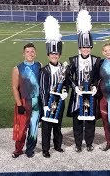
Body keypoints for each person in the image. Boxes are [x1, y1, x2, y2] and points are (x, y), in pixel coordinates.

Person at [67, 10, 101, 152]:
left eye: (88, 47)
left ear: (91, 47)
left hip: (91, 94)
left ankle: (89, 143)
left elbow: (99, 76)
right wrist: (74, 87)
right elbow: (68, 76)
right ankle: (78, 144)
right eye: (83, 47)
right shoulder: (73, 60)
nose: (86, 49)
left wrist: (95, 87)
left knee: (90, 120)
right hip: (78, 96)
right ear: (80, 47)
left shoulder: (97, 60)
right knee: (78, 120)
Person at [39, 16, 68, 158]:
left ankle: (57, 145)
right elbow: (43, 89)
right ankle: (45, 149)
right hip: (48, 101)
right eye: (52, 53)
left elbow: (66, 82)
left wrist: (65, 92)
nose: (54, 56)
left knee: (57, 124)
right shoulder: (44, 70)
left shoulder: (63, 68)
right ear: (48, 55)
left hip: (60, 101)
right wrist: (45, 104)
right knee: (46, 126)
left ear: (59, 54)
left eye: (56, 54)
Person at [12, 43, 42, 158]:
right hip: (23, 102)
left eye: (32, 51)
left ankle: (30, 150)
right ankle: (18, 149)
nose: (30, 53)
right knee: (21, 127)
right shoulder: (17, 68)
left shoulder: (39, 65)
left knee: (34, 127)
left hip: (36, 102)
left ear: (35, 53)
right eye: (27, 51)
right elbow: (14, 87)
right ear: (23, 53)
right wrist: (19, 104)